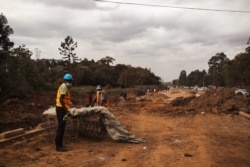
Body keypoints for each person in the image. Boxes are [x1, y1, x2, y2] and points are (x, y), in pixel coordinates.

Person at [55, 73, 73, 152]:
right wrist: (66, 110)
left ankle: (60, 144)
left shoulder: (65, 87)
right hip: (61, 109)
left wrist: (70, 104)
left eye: (70, 81)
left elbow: (66, 99)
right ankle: (58, 146)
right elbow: (61, 100)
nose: (69, 82)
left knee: (62, 126)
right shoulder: (64, 87)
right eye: (68, 81)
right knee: (61, 127)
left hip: (62, 108)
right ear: (65, 81)